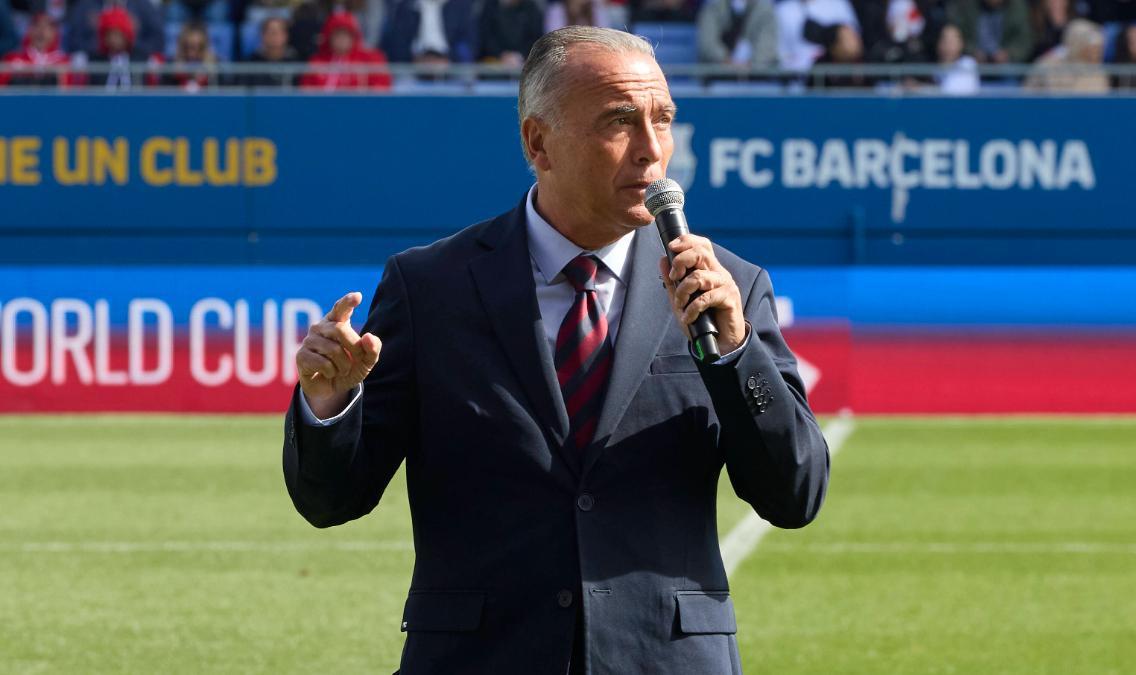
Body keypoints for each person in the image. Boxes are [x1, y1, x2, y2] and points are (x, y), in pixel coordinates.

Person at [282, 25, 829, 675]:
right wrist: (330, 402)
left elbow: (795, 493)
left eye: (663, 119)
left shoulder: (731, 287)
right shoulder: (429, 287)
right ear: (538, 142)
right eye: (620, 122)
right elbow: (331, 499)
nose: (652, 151)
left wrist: (736, 353)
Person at [299, 11, 391, 89]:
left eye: (346, 34)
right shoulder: (317, 62)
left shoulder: (371, 59)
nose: (342, 39)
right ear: (329, 37)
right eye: (337, 34)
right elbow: (307, 94)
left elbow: (381, 93)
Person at [84, 5, 164, 89]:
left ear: (126, 35)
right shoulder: (95, 59)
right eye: (109, 34)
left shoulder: (141, 57)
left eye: (118, 34)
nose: (113, 39)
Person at [1024, 17, 1109, 91]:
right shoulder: (1047, 65)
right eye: (1092, 49)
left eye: (1099, 49)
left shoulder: (1098, 74)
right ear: (1077, 45)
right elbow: (1028, 96)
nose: (1097, 54)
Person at [947, 0, 1033, 65]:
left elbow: (1024, 41)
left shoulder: (1018, 8)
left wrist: (1008, 54)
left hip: (1007, 67)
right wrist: (972, 52)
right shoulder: (968, 6)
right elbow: (959, 36)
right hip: (972, 64)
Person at [697, 0, 779, 67]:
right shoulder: (713, 6)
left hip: (755, 76)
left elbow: (766, 47)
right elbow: (708, 44)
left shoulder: (765, 9)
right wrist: (727, 61)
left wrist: (750, 66)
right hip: (718, 73)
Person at [0, 13, 74, 87]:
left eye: (47, 27)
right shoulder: (12, 59)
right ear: (29, 30)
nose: (41, 31)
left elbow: (69, 94)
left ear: (55, 33)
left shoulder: (64, 62)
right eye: (37, 25)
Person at [237, 17, 300, 87]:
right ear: (262, 35)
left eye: (277, 32)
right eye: (270, 32)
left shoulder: (296, 62)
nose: (274, 36)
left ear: (285, 36)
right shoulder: (251, 63)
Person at [476, 0, 543, 66]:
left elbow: (536, 38)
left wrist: (520, 55)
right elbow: (486, 37)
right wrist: (502, 55)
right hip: (494, 60)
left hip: (523, 60)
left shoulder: (531, 8)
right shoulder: (490, 6)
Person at [161, 21, 215, 91]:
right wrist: (178, 77)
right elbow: (162, 96)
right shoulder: (170, 67)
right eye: (188, 47)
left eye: (199, 47)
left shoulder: (218, 68)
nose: (192, 54)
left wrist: (210, 76)